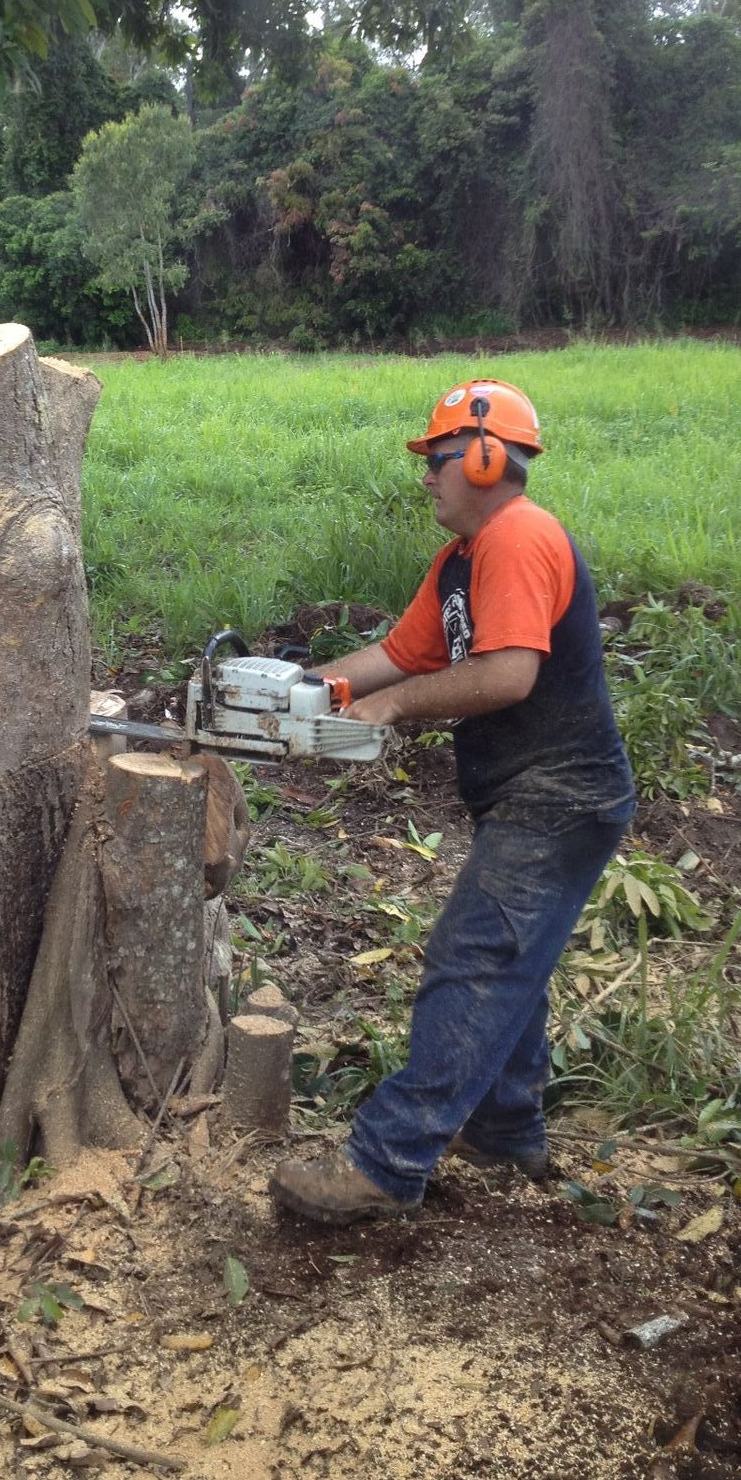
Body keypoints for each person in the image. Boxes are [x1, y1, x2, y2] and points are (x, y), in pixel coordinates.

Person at [269, 379, 635, 1224]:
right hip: (530, 792)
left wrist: (393, 709)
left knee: (472, 959)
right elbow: (396, 654)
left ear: (482, 456)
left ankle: (387, 1162)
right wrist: (293, 690)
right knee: (515, 961)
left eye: (436, 460)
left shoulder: (520, 537)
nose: (426, 477)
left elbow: (508, 675)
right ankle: (506, 1129)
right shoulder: (462, 560)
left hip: (561, 793)